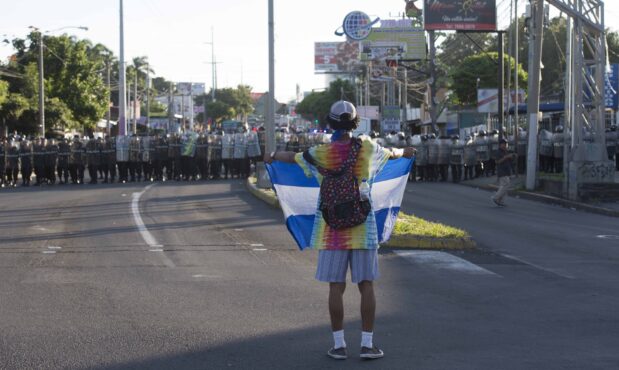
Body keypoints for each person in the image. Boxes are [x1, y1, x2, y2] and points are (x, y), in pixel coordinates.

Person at [264, 100, 415, 361]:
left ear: (330, 122)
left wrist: (273, 156)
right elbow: (392, 153)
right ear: (355, 123)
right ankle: (367, 345)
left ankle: (339, 345)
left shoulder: (322, 152)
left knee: (336, 286)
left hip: (330, 227)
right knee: (366, 285)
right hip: (363, 225)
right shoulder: (367, 147)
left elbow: (291, 158)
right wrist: (406, 152)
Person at [491, 138, 517, 207]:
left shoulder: (505, 151)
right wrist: (506, 157)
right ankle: (496, 198)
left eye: (506, 144)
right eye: (503, 144)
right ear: (500, 145)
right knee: (505, 185)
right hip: (501, 171)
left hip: (506, 170)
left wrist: (512, 157)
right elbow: (497, 162)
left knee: (505, 186)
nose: (505, 145)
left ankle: (500, 200)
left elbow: (510, 160)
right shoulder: (498, 152)